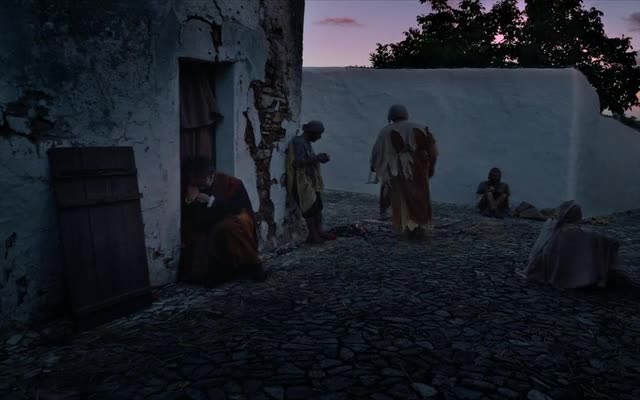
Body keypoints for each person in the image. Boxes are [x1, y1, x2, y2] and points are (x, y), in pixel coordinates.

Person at [179, 157, 266, 287]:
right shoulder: (193, 187)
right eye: (197, 184)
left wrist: (211, 201)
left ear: (211, 176)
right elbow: (192, 218)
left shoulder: (233, 184)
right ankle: (220, 271)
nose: (200, 187)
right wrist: (190, 201)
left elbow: (237, 208)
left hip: (237, 224)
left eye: (202, 184)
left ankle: (254, 264)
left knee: (231, 226)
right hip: (209, 225)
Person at [370, 105, 438, 238]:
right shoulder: (421, 127)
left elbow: (377, 151)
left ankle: (405, 226)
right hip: (419, 165)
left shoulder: (386, 131)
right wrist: (431, 166)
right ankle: (420, 225)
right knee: (420, 195)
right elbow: (433, 150)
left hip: (397, 167)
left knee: (400, 196)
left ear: (391, 116)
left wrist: (374, 165)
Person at [518, 200, 620, 289]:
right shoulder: (572, 231)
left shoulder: (550, 224)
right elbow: (603, 240)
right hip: (556, 268)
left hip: (540, 264)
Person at [286, 120, 337, 244]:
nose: (319, 137)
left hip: (310, 180)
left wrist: (317, 158)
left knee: (317, 206)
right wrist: (317, 158)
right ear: (311, 133)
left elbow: (308, 158)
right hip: (302, 181)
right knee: (309, 208)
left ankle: (319, 231)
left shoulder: (306, 142)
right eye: (318, 134)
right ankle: (312, 235)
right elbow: (297, 163)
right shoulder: (299, 142)